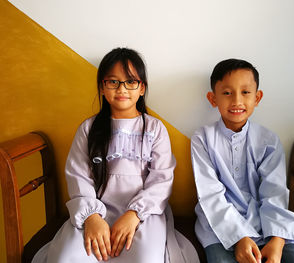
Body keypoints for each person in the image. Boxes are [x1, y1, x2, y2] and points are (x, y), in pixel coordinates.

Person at [32, 47, 199, 263]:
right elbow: (78, 176)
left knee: (146, 259)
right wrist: (91, 217)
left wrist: (133, 215)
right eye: (113, 82)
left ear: (142, 88)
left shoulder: (155, 129)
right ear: (102, 87)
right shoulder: (88, 129)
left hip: (142, 216)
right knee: (67, 258)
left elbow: (162, 179)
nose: (122, 89)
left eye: (130, 82)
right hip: (95, 212)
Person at [191, 58, 294, 263]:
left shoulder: (268, 140)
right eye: (227, 93)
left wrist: (276, 240)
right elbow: (210, 195)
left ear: (257, 98)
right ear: (213, 99)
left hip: (268, 224)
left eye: (245, 92)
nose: (237, 101)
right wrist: (239, 238)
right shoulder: (202, 139)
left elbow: (274, 193)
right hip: (219, 227)